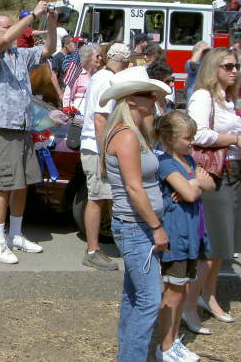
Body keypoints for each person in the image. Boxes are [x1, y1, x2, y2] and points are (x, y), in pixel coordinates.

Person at [99, 66, 171, 362]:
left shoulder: (131, 133)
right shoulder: (127, 136)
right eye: (147, 94)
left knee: (134, 297)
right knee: (149, 301)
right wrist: (156, 227)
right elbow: (134, 187)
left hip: (135, 225)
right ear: (130, 100)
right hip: (137, 226)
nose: (154, 99)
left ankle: (127, 356)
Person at [0, 2, 56, 264]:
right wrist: (33, 15)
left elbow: (49, 50)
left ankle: (16, 235)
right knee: (4, 185)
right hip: (2, 128)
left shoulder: (20, 55)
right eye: (7, 27)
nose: (13, 31)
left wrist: (52, 21)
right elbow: (9, 38)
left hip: (23, 127)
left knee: (21, 184)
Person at [185, 48, 241, 333]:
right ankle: (189, 306)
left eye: (236, 66)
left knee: (221, 247)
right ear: (213, 68)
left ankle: (208, 297)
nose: (234, 70)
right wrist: (235, 139)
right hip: (213, 176)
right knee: (209, 249)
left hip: (231, 175)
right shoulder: (204, 96)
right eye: (228, 66)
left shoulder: (229, 99)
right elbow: (195, 133)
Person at [155, 111, 214, 361]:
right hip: (176, 235)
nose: (192, 143)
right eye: (187, 138)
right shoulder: (166, 163)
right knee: (173, 292)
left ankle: (174, 340)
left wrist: (194, 184)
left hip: (192, 233)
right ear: (170, 139)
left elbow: (209, 184)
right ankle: (165, 346)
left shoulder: (189, 160)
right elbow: (190, 194)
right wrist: (195, 185)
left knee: (184, 287)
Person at [79, 43, 131, 270]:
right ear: (125, 63)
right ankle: (92, 250)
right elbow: (100, 120)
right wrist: (104, 155)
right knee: (98, 197)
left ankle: (97, 248)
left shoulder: (103, 77)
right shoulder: (106, 79)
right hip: (97, 147)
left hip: (98, 146)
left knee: (102, 197)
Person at [62, 44, 102, 114]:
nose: (100, 58)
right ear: (88, 58)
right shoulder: (78, 74)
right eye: (97, 56)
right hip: (78, 113)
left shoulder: (100, 75)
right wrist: (69, 111)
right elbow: (67, 96)